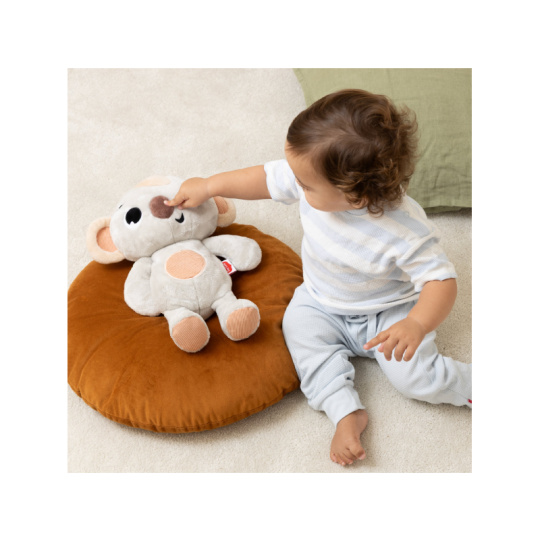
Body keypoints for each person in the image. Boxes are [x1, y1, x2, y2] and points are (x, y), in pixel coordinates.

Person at [165, 89, 472, 466]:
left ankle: (469, 384)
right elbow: (263, 178)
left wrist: (417, 323)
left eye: (306, 186)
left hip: (390, 315)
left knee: (417, 380)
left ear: (356, 196)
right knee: (300, 333)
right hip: (321, 300)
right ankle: (345, 412)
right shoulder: (309, 174)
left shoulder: (404, 230)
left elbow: (441, 281)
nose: (296, 184)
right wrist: (210, 185)